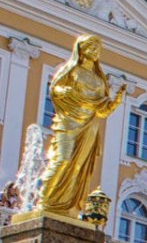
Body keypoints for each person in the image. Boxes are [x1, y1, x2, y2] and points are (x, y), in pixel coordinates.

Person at [33, 34, 124, 216]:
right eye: (91, 46)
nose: (95, 51)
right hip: (69, 122)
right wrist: (64, 91)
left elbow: (102, 110)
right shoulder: (72, 70)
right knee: (63, 159)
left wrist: (116, 100)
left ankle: (67, 206)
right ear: (81, 50)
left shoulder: (99, 80)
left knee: (78, 167)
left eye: (97, 48)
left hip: (89, 125)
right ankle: (44, 200)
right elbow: (55, 89)